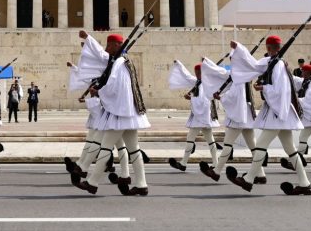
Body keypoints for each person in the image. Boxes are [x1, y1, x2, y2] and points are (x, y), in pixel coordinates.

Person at [228, 36, 311, 196]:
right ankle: (305, 184)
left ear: (268, 48)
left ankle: (249, 179)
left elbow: (281, 91)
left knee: (260, 145)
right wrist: (239, 48)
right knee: (291, 150)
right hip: (279, 112)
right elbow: (253, 64)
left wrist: (264, 88)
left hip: (277, 112)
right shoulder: (272, 62)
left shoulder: (278, 65)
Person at [73, 33, 150, 196]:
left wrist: (98, 92)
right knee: (134, 150)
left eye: (109, 45)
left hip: (120, 114)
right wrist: (88, 39)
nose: (106, 49)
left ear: (116, 45)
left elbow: (115, 87)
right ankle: (141, 184)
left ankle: (92, 183)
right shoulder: (124, 61)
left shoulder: (120, 63)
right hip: (128, 114)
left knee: (106, 147)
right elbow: (103, 58)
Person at [198, 56, 259, 182]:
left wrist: (221, 97)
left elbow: (235, 96)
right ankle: (261, 175)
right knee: (253, 146)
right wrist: (207, 62)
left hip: (238, 114)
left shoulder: (238, 76)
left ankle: (216, 171)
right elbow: (221, 72)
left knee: (227, 144)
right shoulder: (242, 73)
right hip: (246, 114)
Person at [167, 61, 220, 172]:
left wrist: (190, 98)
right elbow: (186, 75)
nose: (197, 74)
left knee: (193, 139)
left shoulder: (207, 84)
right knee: (209, 140)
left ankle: (184, 163)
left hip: (202, 116)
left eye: (199, 72)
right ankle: (215, 163)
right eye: (196, 72)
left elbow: (204, 101)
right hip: (201, 116)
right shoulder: (197, 82)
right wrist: (179, 64)